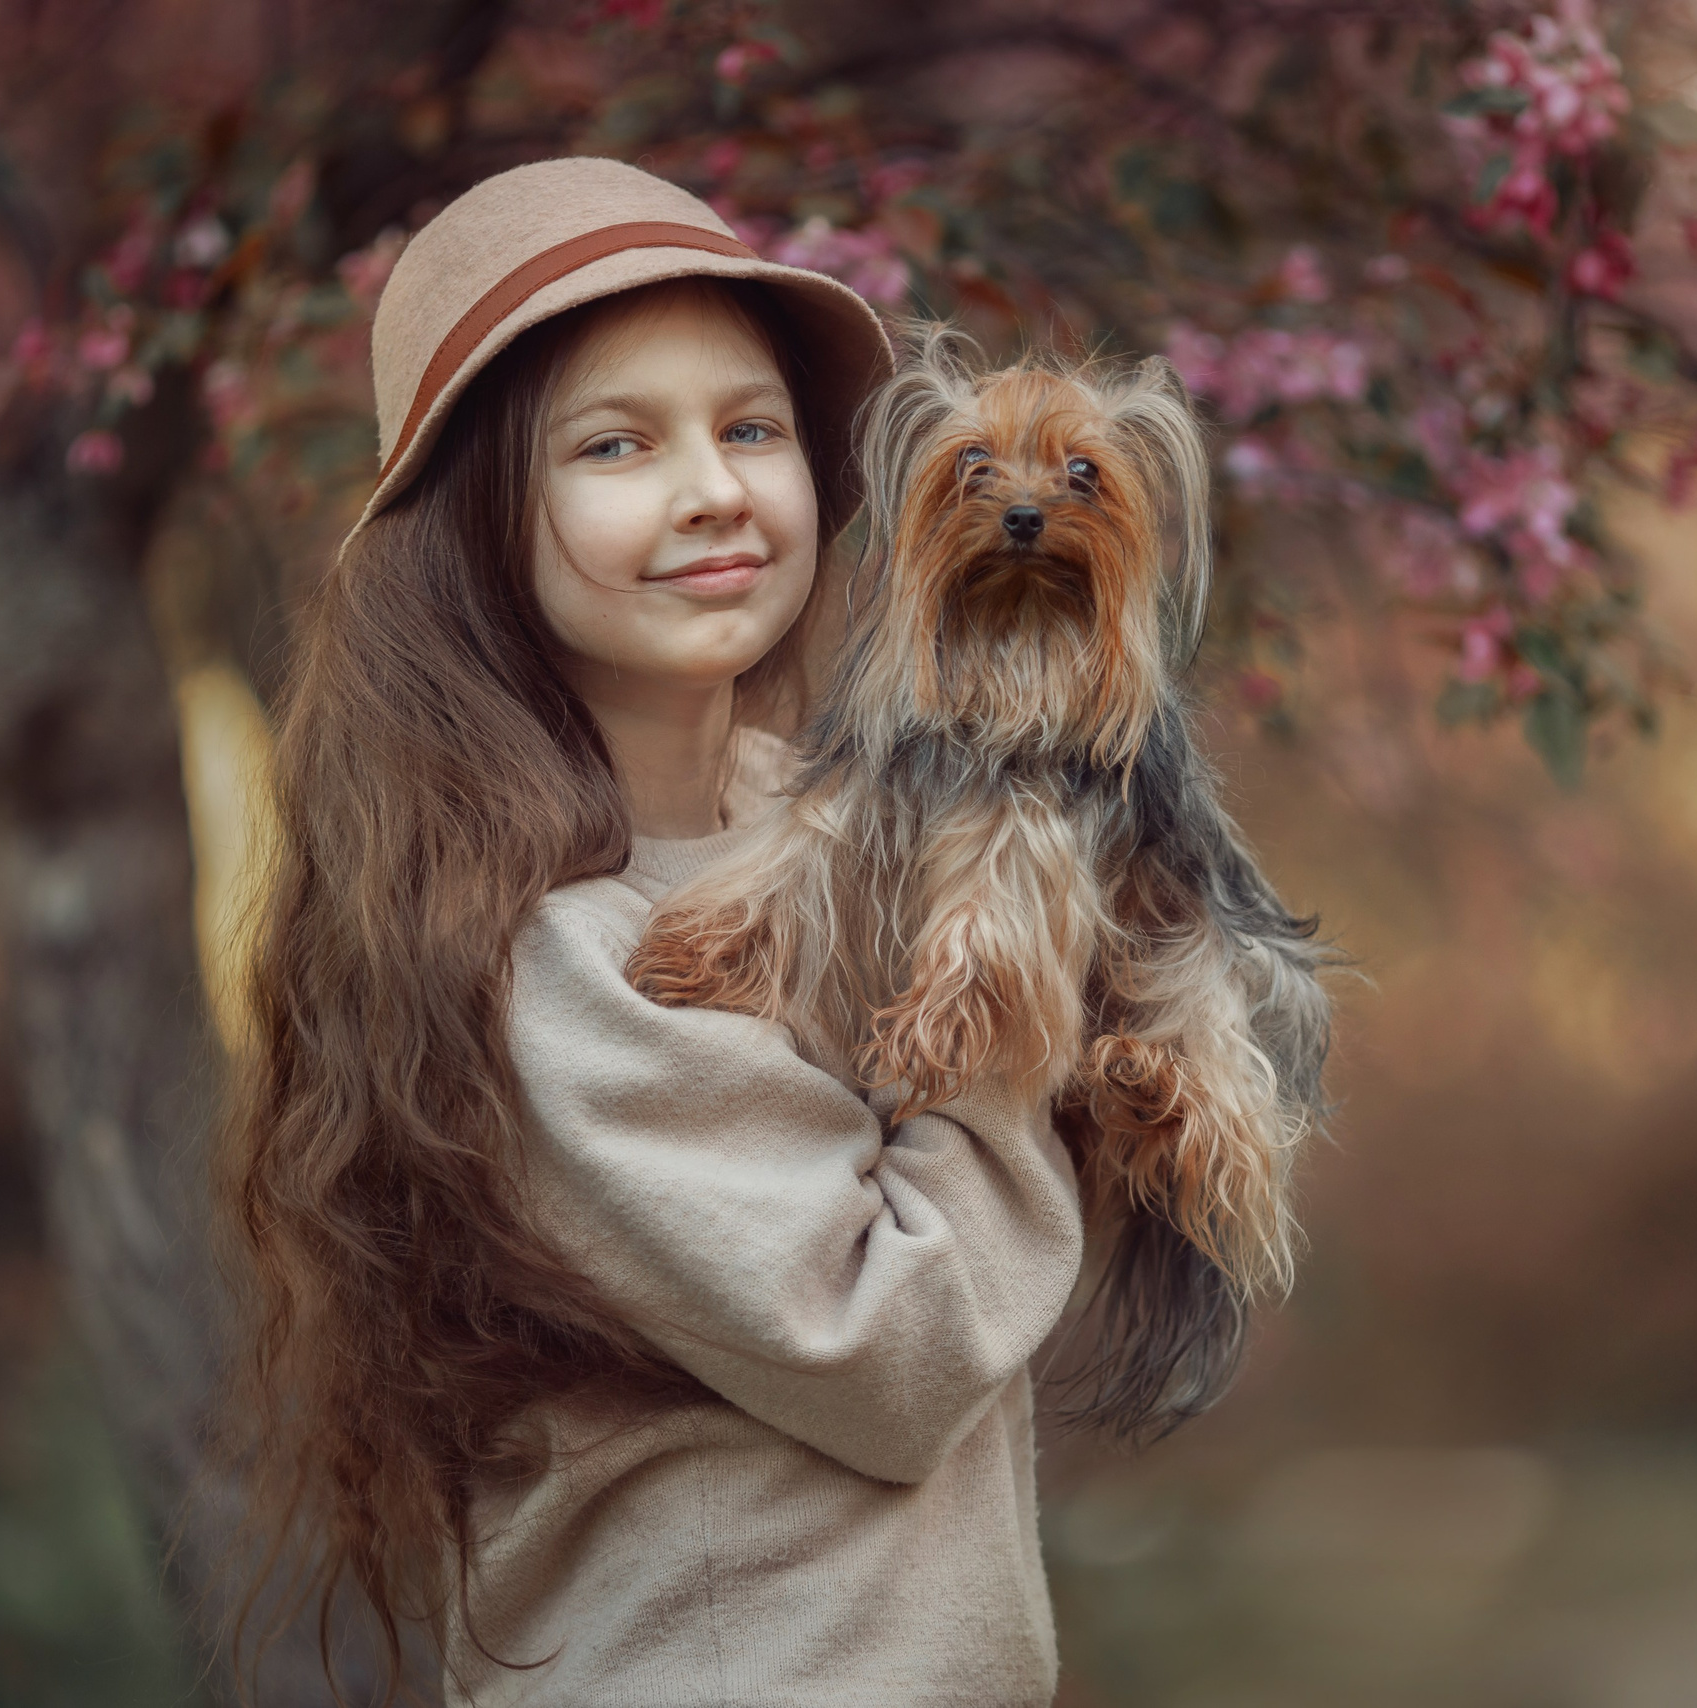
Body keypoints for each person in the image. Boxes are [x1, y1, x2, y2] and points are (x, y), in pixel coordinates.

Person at [220, 157, 1084, 1707]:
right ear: (481, 521)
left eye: (750, 428)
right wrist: (1001, 966)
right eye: (614, 444)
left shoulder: (823, 819)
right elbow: (904, 1349)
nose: (715, 491)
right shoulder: (547, 962)